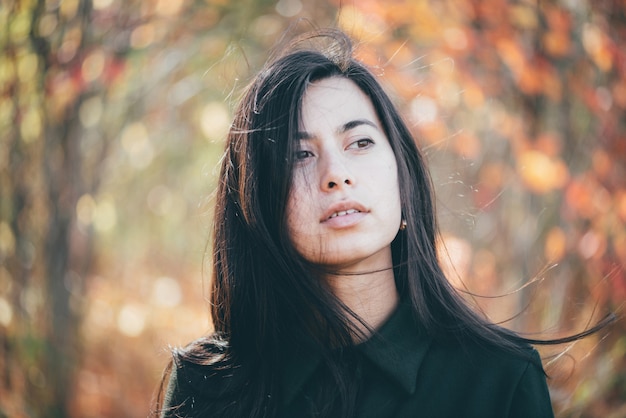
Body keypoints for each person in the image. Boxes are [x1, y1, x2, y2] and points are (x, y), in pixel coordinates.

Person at [155, 28, 612, 418]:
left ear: (402, 174)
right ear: (256, 198)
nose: (336, 174)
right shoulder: (208, 388)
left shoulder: (498, 381)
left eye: (360, 142)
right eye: (300, 154)